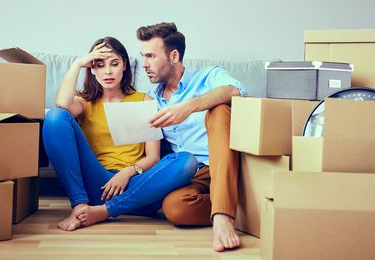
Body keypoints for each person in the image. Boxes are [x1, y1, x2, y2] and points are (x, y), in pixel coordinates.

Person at [42, 36, 198, 232]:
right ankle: (80, 206)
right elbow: (62, 106)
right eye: (99, 65)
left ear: (124, 65)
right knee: (55, 117)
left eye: (114, 64)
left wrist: (127, 172)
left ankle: (105, 211)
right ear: (92, 69)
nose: (107, 71)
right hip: (99, 185)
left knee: (186, 161)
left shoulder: (143, 100)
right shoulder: (84, 102)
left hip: (138, 186)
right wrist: (78, 64)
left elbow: (153, 157)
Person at [137, 23, 247, 252]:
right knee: (175, 208)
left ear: (173, 55)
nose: (144, 64)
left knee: (219, 110)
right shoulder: (151, 100)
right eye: (142, 56)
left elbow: (235, 91)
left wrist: (189, 106)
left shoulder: (209, 76)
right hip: (192, 174)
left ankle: (223, 216)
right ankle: (242, 208)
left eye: (150, 56)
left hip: (224, 162)